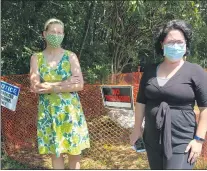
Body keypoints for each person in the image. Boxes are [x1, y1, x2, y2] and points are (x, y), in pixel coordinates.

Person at [130, 20, 207, 169]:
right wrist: (136, 129)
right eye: (171, 42)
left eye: (180, 42)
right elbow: (141, 103)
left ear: (186, 44)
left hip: (182, 142)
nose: (176, 46)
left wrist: (198, 140)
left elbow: (205, 109)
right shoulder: (150, 71)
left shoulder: (195, 71)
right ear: (162, 44)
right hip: (152, 139)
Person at [30, 18, 90, 169]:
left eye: (60, 32)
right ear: (44, 34)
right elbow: (35, 86)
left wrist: (52, 87)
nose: (56, 35)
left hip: (70, 111)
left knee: (74, 152)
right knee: (55, 152)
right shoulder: (36, 58)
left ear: (63, 35)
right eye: (53, 32)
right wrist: (66, 83)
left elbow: (79, 84)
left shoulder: (71, 56)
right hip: (48, 111)